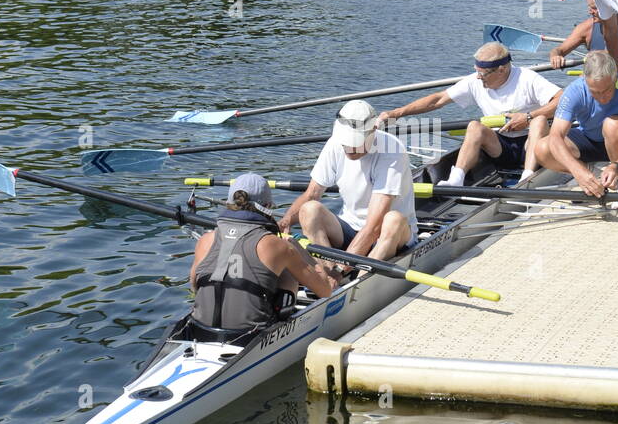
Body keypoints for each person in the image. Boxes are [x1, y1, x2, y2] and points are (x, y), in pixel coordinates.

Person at [378, 41, 561, 187]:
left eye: (484, 74)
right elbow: (437, 100)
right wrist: (395, 113)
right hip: (501, 145)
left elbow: (561, 99)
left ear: (502, 69)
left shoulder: (527, 78)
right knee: (474, 126)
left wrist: (528, 116)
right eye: (477, 72)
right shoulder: (475, 81)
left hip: (533, 144)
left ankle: (527, 178)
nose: (479, 77)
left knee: (539, 120)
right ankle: (456, 179)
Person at [189, 172, 336, 335]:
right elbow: (326, 291)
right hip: (250, 335)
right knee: (287, 269)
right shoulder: (278, 246)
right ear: (267, 206)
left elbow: (195, 287)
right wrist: (298, 250)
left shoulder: (205, 240)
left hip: (201, 328)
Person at [277, 100, 418, 261]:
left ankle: (356, 280)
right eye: (346, 142)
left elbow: (374, 227)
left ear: (373, 131)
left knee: (393, 220)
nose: (349, 148)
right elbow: (311, 194)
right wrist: (286, 220)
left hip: (387, 236)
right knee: (309, 209)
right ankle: (326, 273)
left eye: (354, 142)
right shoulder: (335, 143)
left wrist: (342, 267)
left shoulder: (392, 152)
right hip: (349, 229)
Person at [533, 50, 618, 195]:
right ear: (585, 80)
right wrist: (578, 171)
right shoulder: (574, 91)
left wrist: (616, 166)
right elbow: (556, 136)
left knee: (612, 125)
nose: (601, 97)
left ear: (615, 79)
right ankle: (594, 178)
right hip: (591, 138)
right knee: (542, 148)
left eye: (607, 90)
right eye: (595, 92)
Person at [548, 0, 618, 68]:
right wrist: (555, 56)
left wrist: (600, 55)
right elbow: (560, 50)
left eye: (594, 8)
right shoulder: (586, 28)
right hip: (596, 79)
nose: (590, 12)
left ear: (610, 7)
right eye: (590, 8)